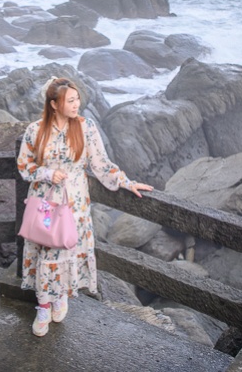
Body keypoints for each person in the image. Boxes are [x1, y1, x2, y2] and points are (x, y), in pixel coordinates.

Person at [17, 76, 153, 337]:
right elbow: (25, 166)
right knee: (47, 252)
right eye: (70, 100)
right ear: (54, 104)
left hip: (75, 204)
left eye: (77, 98)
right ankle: (43, 306)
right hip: (45, 204)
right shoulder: (35, 130)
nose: (76, 103)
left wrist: (126, 182)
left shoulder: (86, 127)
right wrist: (46, 173)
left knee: (67, 249)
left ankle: (61, 297)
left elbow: (101, 164)